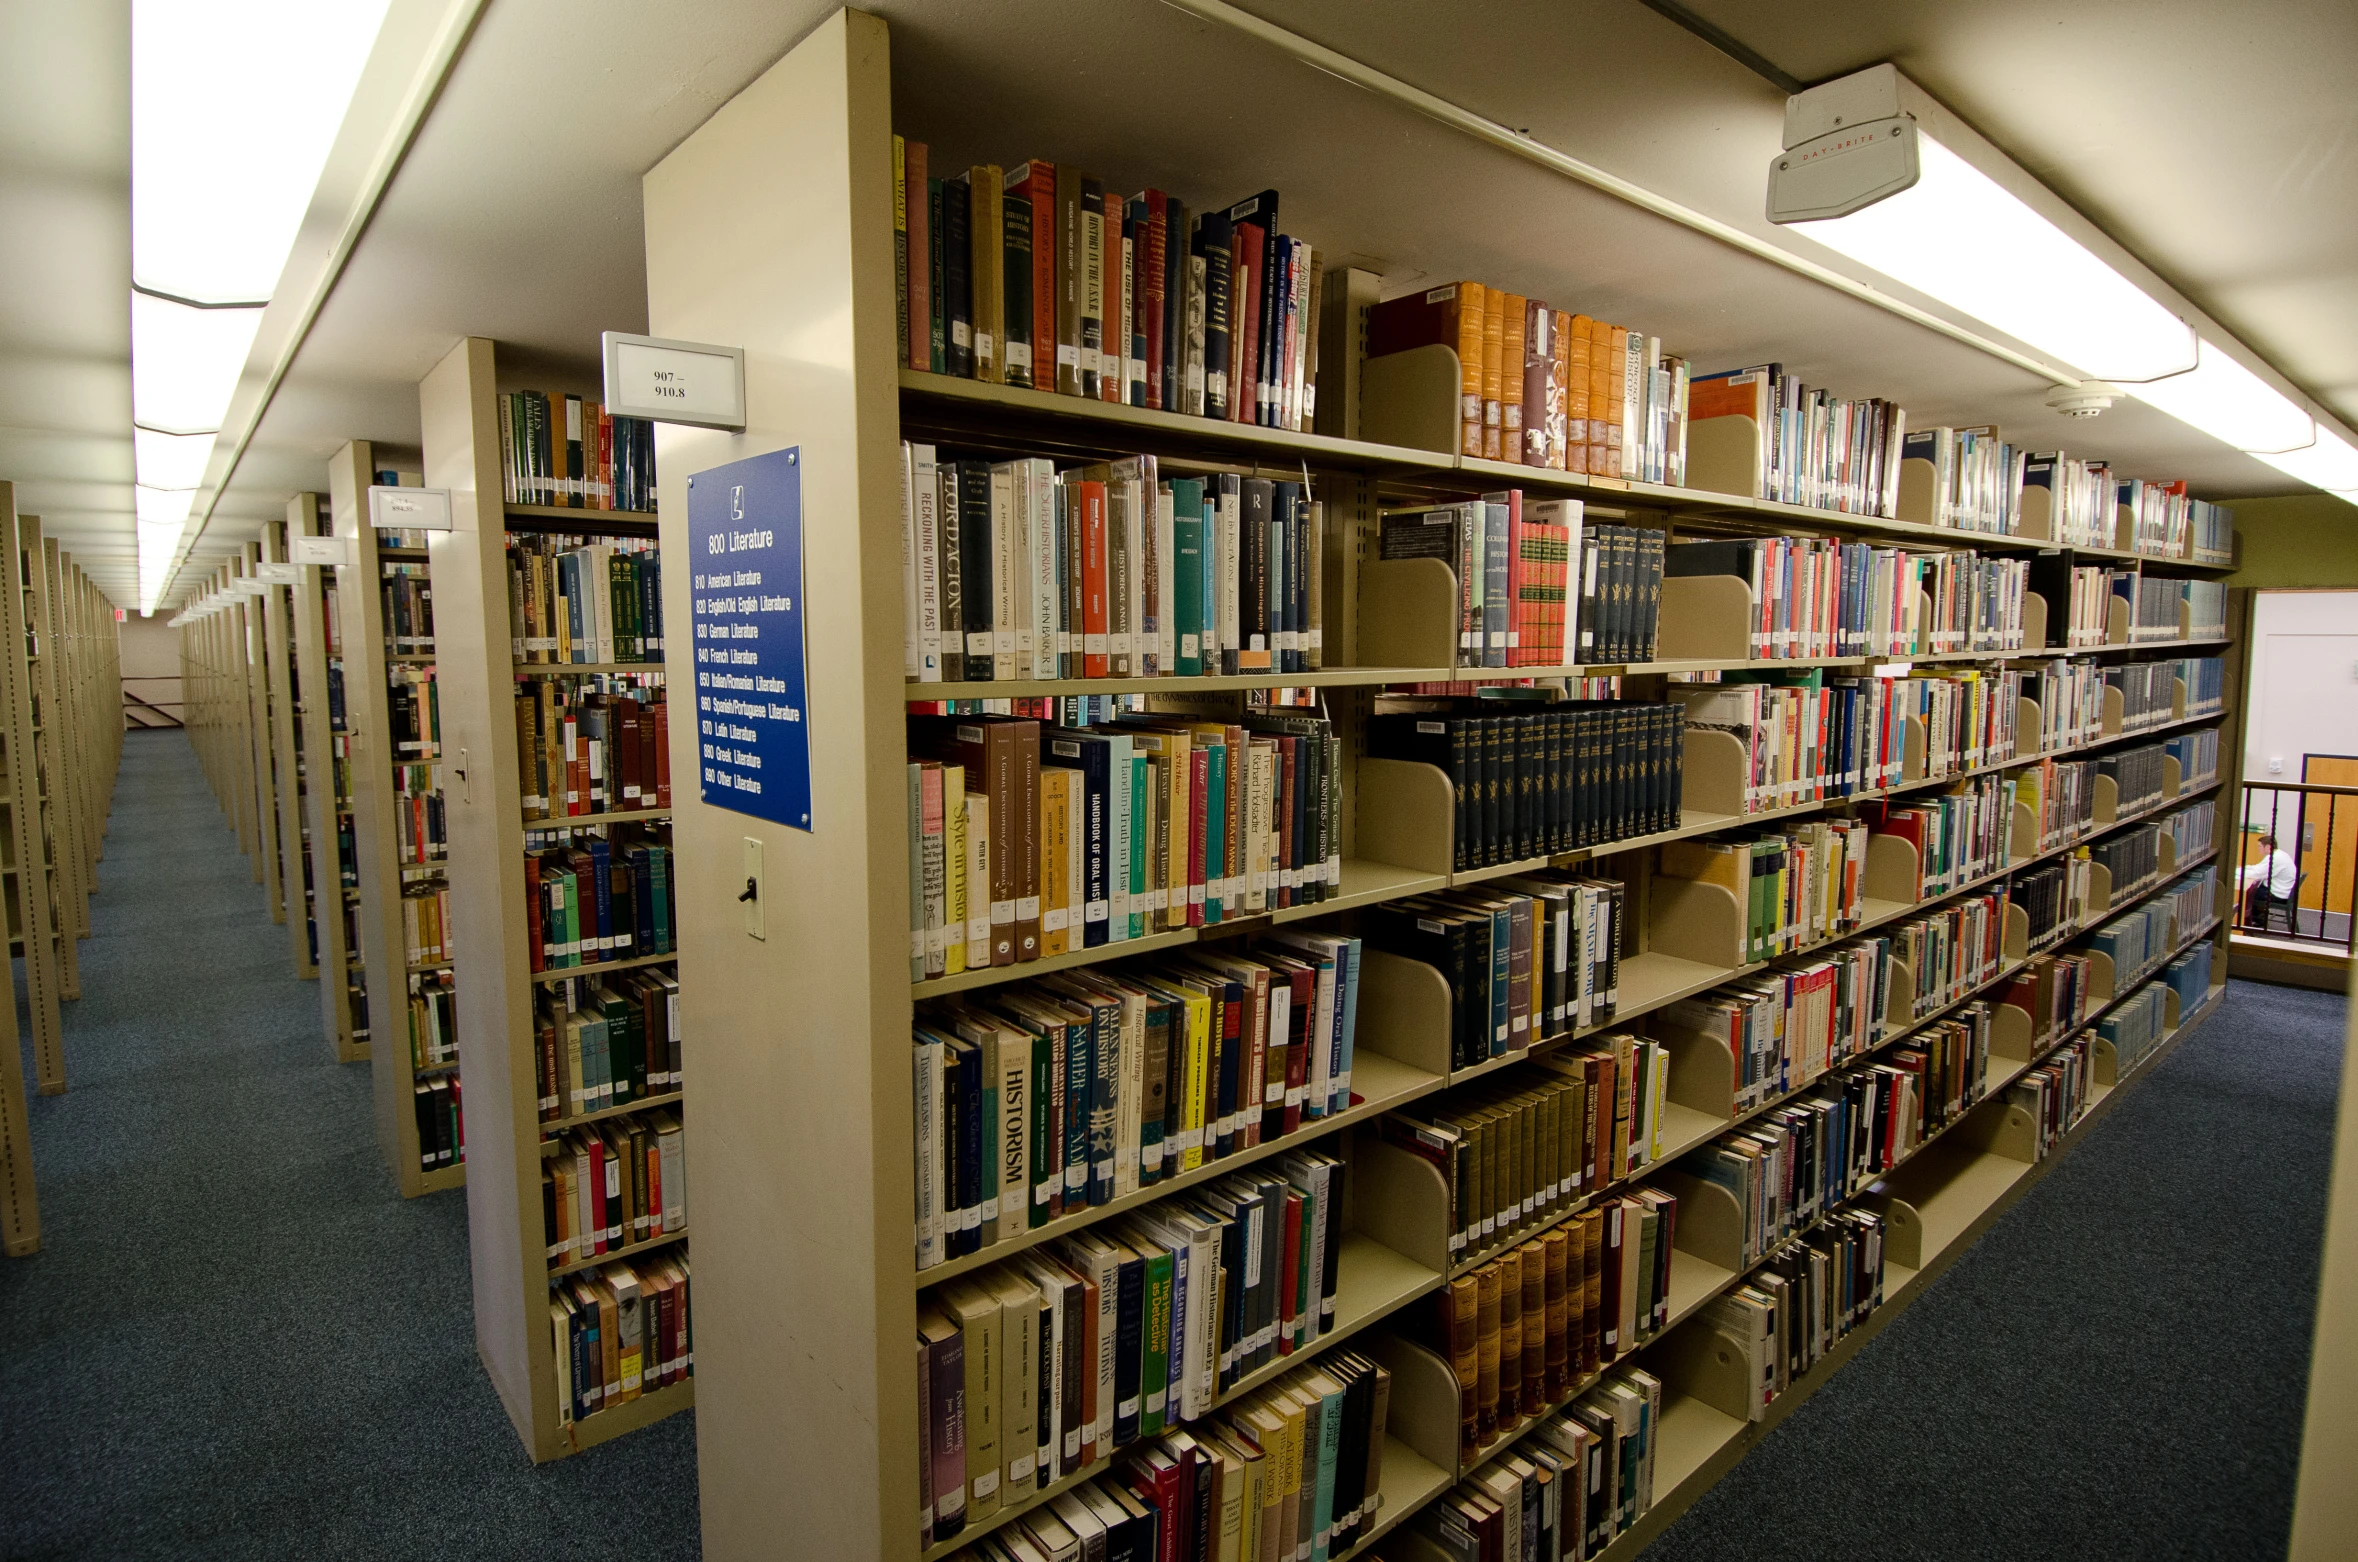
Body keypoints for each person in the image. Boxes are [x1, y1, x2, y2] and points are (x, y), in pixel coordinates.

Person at [2239, 832, 2297, 927]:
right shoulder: (2280, 854)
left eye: (2260, 846)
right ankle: (2258, 918)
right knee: (2254, 889)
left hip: (2278, 895)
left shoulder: (2275, 858)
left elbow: (2257, 873)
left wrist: (2236, 871)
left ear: (2268, 847)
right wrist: (2246, 868)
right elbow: (2260, 869)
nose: (2258, 849)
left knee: (2248, 893)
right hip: (2282, 890)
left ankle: (2248, 921)